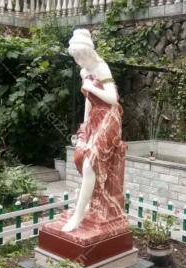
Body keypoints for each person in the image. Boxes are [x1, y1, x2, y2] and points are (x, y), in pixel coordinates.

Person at [62, 29, 126, 232]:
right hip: (94, 119)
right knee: (81, 157)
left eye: (80, 55)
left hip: (109, 117)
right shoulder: (83, 72)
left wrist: (91, 86)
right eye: (75, 56)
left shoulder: (101, 68)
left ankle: (79, 213)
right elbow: (89, 101)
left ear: (88, 52)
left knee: (90, 163)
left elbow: (113, 100)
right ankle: (90, 201)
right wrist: (84, 127)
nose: (78, 60)